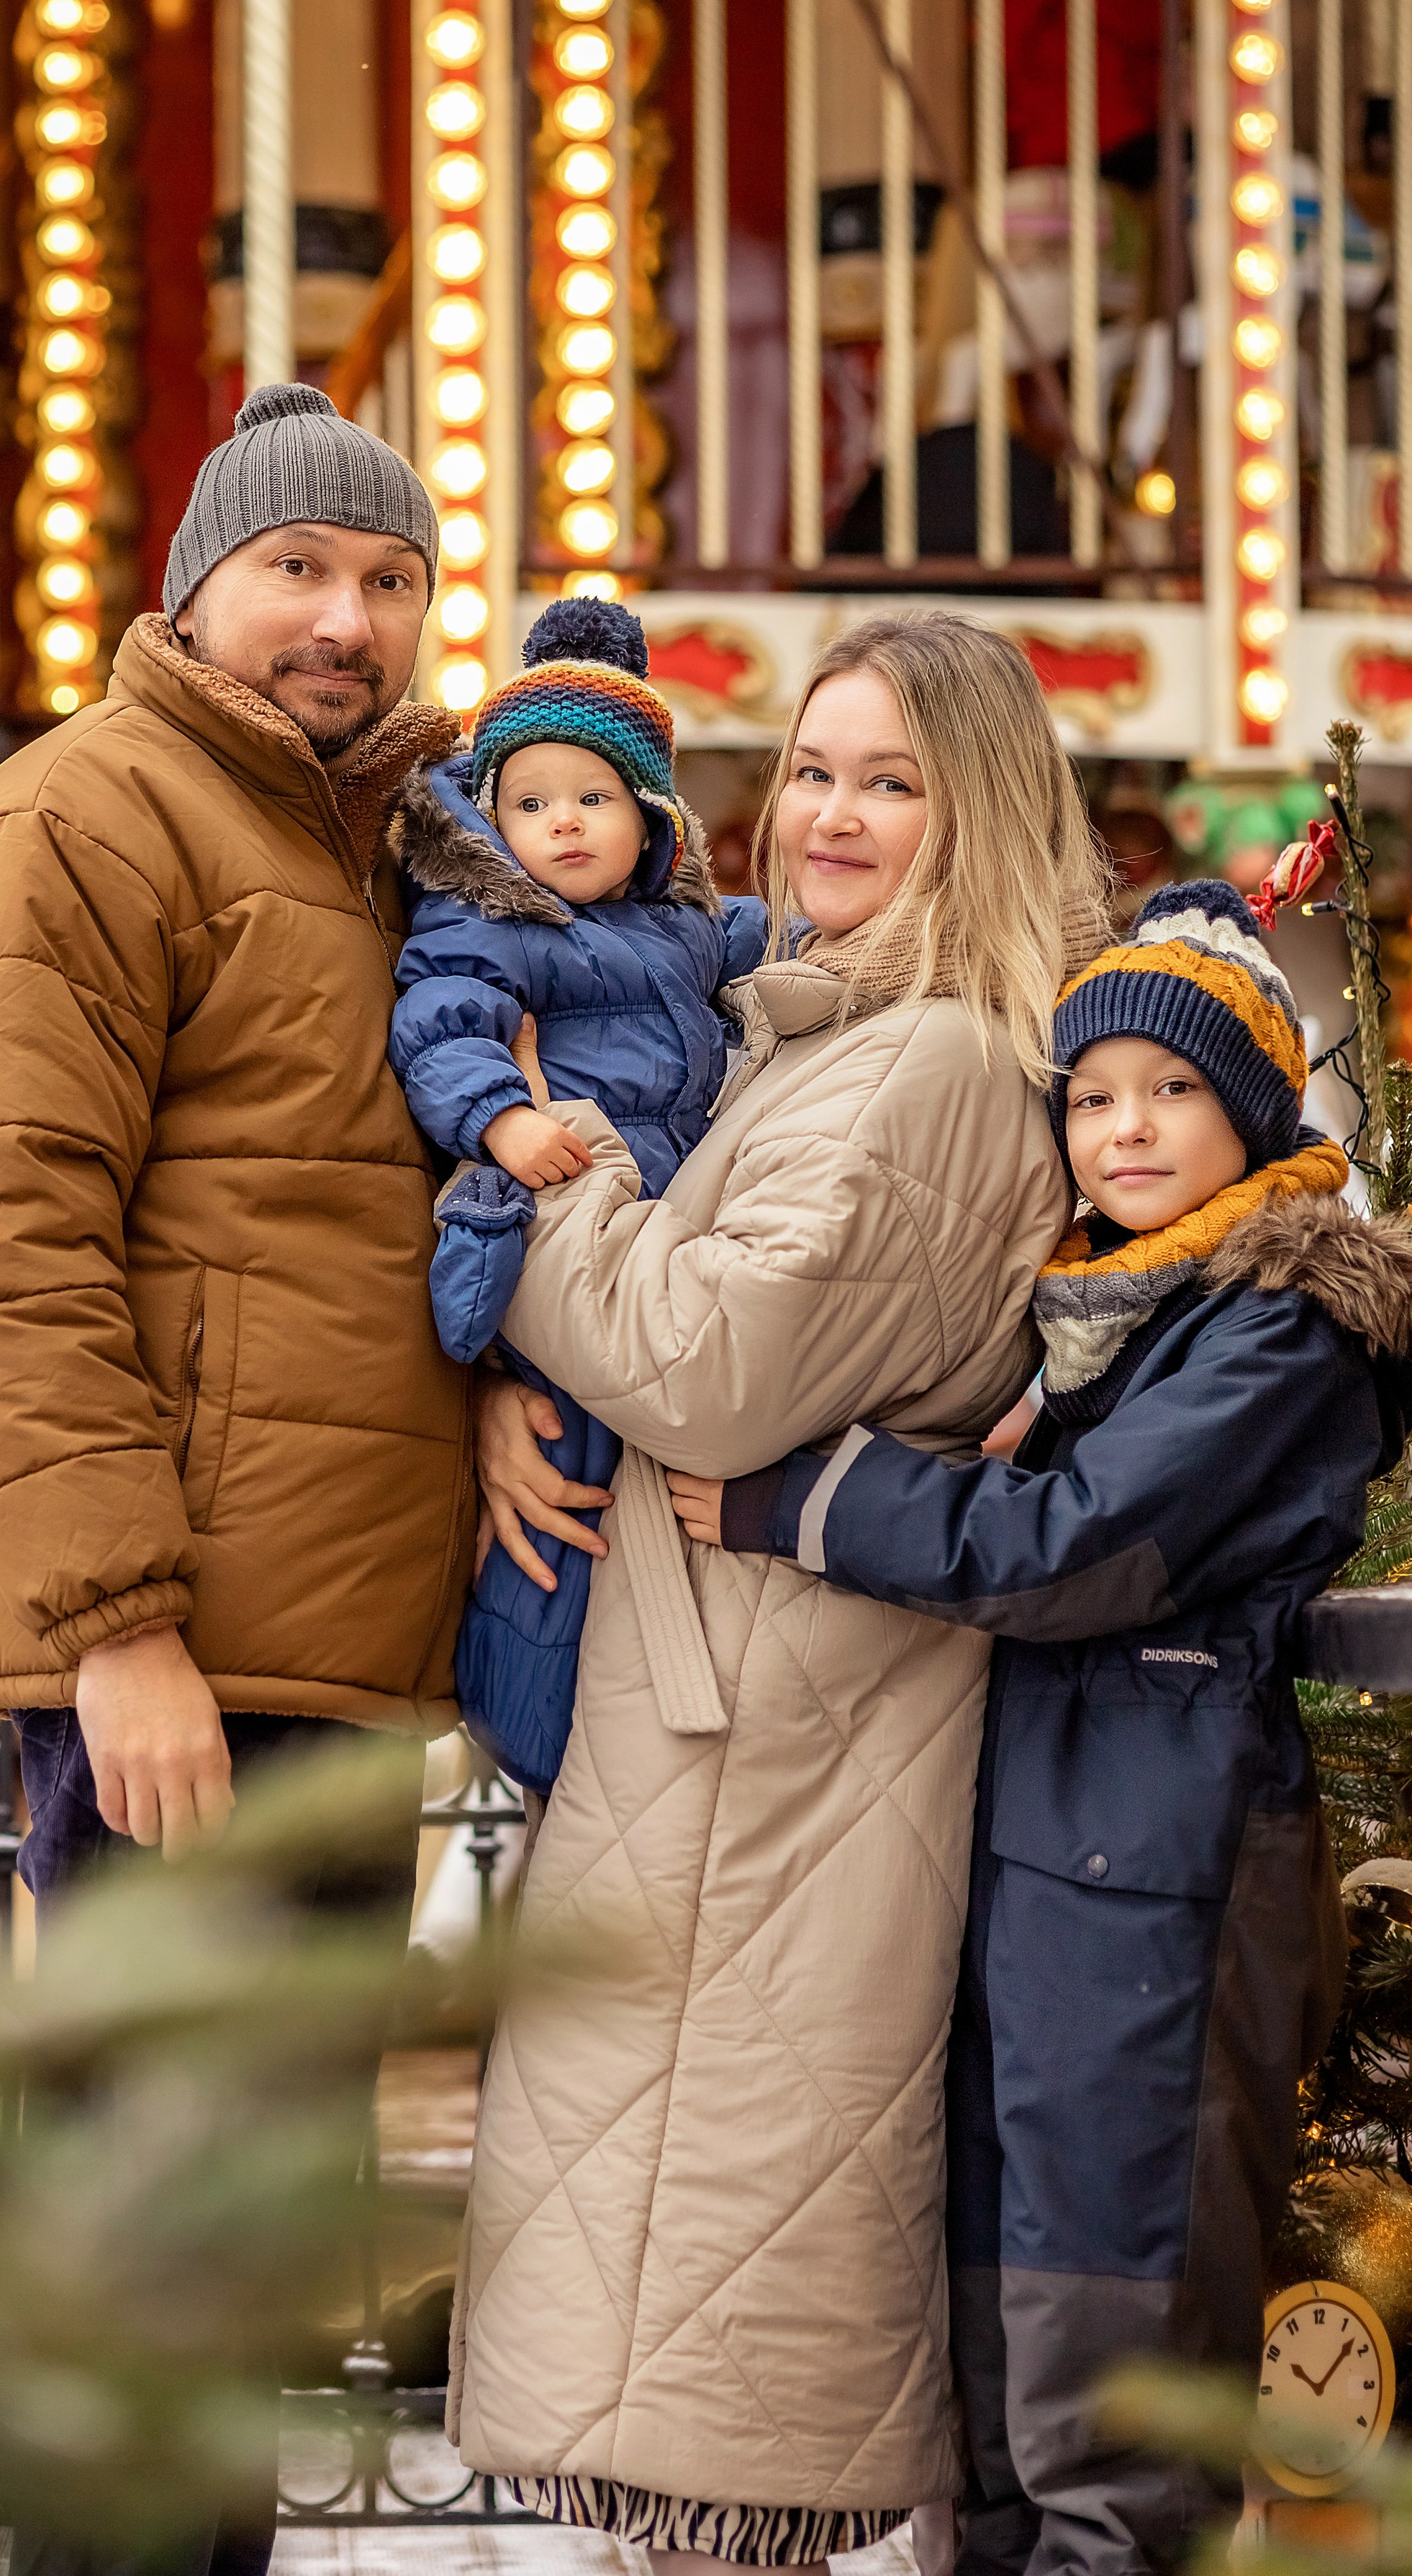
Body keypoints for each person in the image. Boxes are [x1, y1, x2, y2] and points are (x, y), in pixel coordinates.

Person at [666, 880, 1412, 2576]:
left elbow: (1079, 1547)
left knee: (1106, 2365)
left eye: (1172, 1092)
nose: (1123, 1129)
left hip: (1157, 1862)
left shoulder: (1282, 1322)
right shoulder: (1105, 1315)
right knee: (992, 2379)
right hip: (1043, 1853)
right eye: (1090, 1094)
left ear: (1252, 1110)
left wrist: (805, 1498)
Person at [0, 380, 479, 2575]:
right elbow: (0, 1239)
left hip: (323, 1659)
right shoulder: (80, 824)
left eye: (390, 578)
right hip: (179, 1665)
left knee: (239, 2266)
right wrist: (115, 1632)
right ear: (195, 590)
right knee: (151, 2263)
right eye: (300, 571)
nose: (347, 619)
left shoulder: (382, 846)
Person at [448, 610, 1113, 2571]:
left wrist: (543, 1201)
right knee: (697, 2393)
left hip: (774, 1775)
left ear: (975, 816)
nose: (828, 815)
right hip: (724, 1744)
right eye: (813, 769)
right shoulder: (821, 1035)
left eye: (891, 782)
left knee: (725, 2408)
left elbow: (712, 1370)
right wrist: (526, 1372)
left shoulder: (929, 1071)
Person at [388, 593, 765, 1791]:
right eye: (531, 803)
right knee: (568, 1470)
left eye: (593, 800)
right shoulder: (493, 922)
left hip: (667, 1225)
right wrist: (500, 1115)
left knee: (640, 1478)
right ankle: (529, 1737)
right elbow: (442, 1021)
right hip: (561, 1197)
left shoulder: (681, 928)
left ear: (649, 818)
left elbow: (769, 939)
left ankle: (615, 1730)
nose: (562, 826)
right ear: (493, 819)